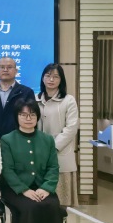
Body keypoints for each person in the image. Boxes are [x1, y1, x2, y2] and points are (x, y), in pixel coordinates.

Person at [0, 99, 65, 223]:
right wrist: (24, 190)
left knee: (52, 206)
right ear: (17, 117)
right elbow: (7, 170)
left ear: (37, 117)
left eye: (32, 114)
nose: (28, 118)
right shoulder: (7, 140)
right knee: (30, 207)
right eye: (23, 115)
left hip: (42, 187)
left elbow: (53, 167)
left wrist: (46, 188)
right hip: (16, 189)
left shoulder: (47, 140)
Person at [37, 63, 79, 207]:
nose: (51, 79)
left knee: (60, 202)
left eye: (56, 76)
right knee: (40, 201)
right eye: (48, 76)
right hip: (38, 155)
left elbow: (71, 128)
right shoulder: (35, 99)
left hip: (60, 154)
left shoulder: (68, 100)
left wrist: (53, 148)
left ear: (61, 80)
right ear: (43, 78)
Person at [0, 56, 35, 137]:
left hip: (18, 138)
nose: (5, 70)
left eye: (9, 67)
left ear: (16, 71)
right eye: (2, 67)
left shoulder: (26, 92)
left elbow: (32, 117)